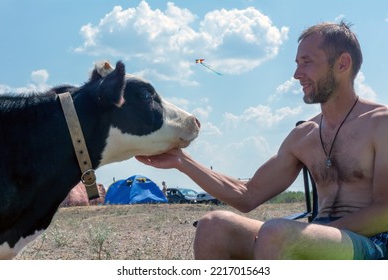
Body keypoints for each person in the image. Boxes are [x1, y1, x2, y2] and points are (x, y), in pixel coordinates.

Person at [135, 21, 388, 260]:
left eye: (306, 62)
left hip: (373, 244)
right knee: (213, 226)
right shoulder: (304, 135)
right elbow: (248, 195)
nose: (296, 74)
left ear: (343, 64)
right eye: (297, 63)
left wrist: (315, 232)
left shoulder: (380, 123)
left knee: (276, 232)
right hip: (322, 236)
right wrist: (182, 161)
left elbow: (385, 211)